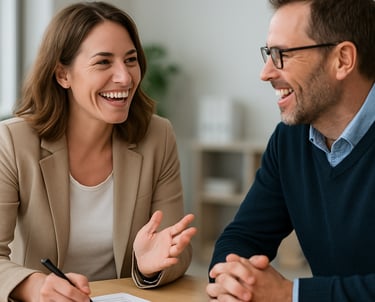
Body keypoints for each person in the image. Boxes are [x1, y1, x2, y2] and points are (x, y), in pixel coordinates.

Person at [0, 2, 197, 301]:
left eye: (130, 60)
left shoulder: (157, 136)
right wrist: (36, 287)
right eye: (103, 62)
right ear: (63, 75)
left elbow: (175, 246)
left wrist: (150, 268)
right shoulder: (14, 142)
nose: (125, 77)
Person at [206, 0, 375, 301]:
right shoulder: (289, 139)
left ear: (343, 60)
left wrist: (290, 294)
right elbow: (244, 236)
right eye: (269, 53)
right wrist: (233, 278)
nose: (266, 72)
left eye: (281, 54)